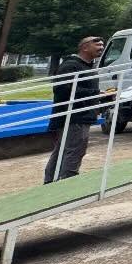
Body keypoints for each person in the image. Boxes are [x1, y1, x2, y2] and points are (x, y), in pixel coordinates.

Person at [43, 35, 109, 184]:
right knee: (75, 149)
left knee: (64, 149)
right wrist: (95, 93)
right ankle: (68, 180)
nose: (101, 48)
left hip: (82, 114)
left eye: (102, 46)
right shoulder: (71, 65)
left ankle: (51, 181)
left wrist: (101, 96)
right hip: (73, 116)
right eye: (97, 46)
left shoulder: (88, 66)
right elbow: (63, 89)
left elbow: (84, 89)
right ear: (85, 47)